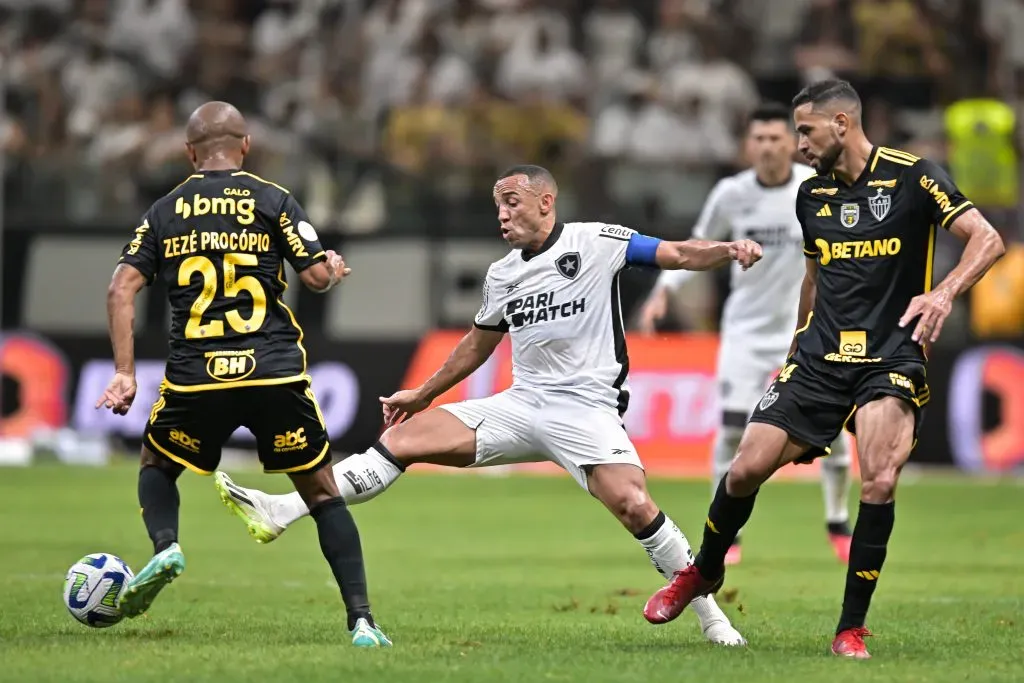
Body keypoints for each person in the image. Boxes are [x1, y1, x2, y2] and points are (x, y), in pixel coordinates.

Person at [214, 164, 761, 646]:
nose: (502, 214)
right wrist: (423, 393)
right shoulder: (503, 274)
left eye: (512, 201)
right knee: (402, 442)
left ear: (547, 202)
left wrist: (728, 251)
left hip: (585, 409)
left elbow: (678, 252)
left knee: (634, 505)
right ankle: (282, 509)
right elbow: (479, 342)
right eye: (497, 204)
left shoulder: (597, 241)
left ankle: (712, 620)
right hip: (522, 403)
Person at [642, 79, 1005, 659]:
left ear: (842, 123)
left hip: (891, 356)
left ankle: (850, 628)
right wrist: (794, 351)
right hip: (818, 358)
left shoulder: (915, 176)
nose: (799, 146)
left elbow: (986, 239)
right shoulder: (811, 197)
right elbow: (816, 279)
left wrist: (943, 294)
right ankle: (704, 573)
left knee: (879, 480)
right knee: (742, 470)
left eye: (806, 132)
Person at [95, 101, 392, 648]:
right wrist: (333, 270)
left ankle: (166, 548)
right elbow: (316, 275)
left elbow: (120, 289)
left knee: (157, 464)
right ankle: (363, 623)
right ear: (245, 147)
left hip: (196, 376)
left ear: (189, 154)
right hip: (273, 372)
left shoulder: (164, 210)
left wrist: (124, 373)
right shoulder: (272, 198)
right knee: (323, 493)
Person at [637, 103, 853, 566]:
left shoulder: (813, 188)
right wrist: (662, 291)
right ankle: (727, 533)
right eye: (760, 139)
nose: (769, 147)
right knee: (734, 428)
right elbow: (695, 245)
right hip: (746, 332)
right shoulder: (731, 194)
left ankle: (838, 521)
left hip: (807, 328)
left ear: (791, 143)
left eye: (777, 138)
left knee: (833, 428)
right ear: (748, 145)